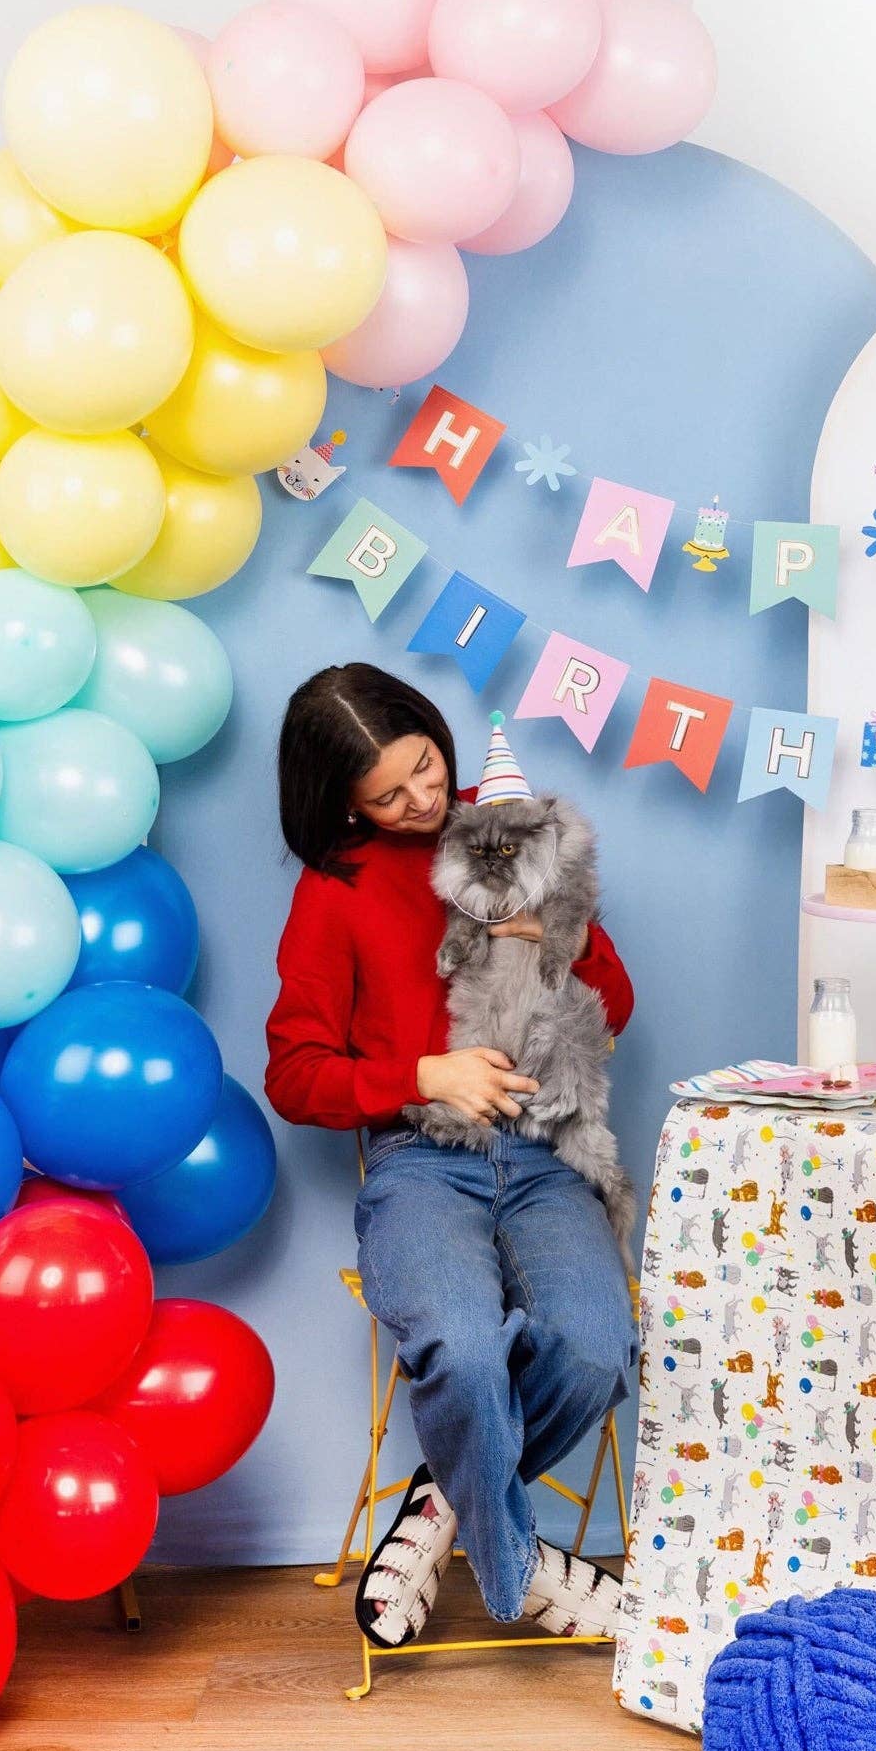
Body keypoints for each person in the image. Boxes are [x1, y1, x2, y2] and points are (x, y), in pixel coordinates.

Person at [265, 663, 636, 1648]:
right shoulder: (335, 887)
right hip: (423, 1161)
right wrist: (423, 1071)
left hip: (548, 1151)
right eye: (388, 794)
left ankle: (442, 1507)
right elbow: (295, 1073)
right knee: (462, 1346)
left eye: (427, 767)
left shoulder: (509, 829)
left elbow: (617, 1008)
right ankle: (523, 1567)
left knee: (600, 1342)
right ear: (340, 799)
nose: (423, 799)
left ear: (440, 736)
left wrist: (560, 939)